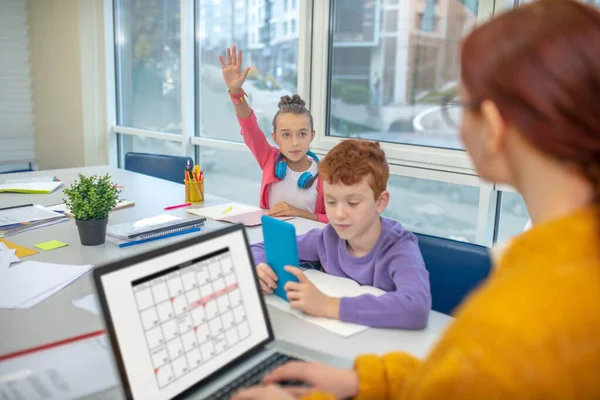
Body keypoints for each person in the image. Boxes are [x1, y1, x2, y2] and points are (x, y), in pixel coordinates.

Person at [234, 1, 600, 398]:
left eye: (461, 107)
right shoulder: (569, 265)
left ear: (492, 126)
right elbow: (464, 377)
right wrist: (363, 380)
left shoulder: (530, 308)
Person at [251, 139, 431, 329]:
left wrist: (328, 305)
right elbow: (259, 247)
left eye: (353, 203)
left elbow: (416, 308)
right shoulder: (328, 237)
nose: (339, 214)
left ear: (380, 202)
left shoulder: (399, 247)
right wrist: (258, 268)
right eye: (330, 201)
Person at [220, 46, 327, 222]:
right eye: (286, 135)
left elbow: (335, 220)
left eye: (302, 134)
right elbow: (249, 128)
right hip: (272, 237)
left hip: (310, 242)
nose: (295, 142)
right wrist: (236, 93)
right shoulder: (270, 159)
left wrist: (297, 212)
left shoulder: (324, 174)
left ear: (312, 135)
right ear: (275, 137)